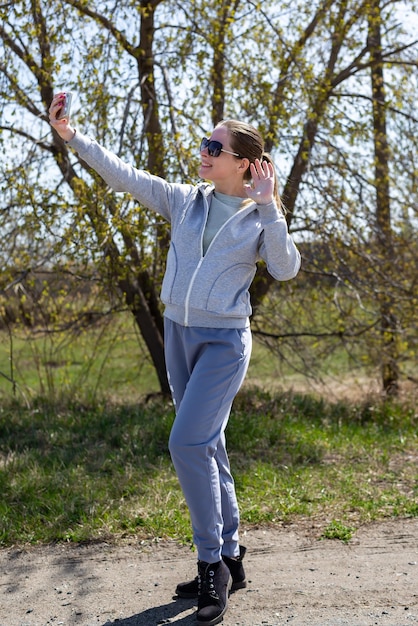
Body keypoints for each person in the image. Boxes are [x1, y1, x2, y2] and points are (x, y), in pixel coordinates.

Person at [49, 93, 301, 626]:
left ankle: (212, 567)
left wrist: (272, 206)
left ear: (244, 163)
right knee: (209, 446)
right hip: (178, 335)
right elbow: (125, 176)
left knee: (186, 443)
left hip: (224, 343)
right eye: (205, 144)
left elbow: (284, 268)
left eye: (215, 146)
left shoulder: (260, 218)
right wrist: (71, 136)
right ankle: (232, 555)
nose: (204, 152)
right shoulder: (187, 200)